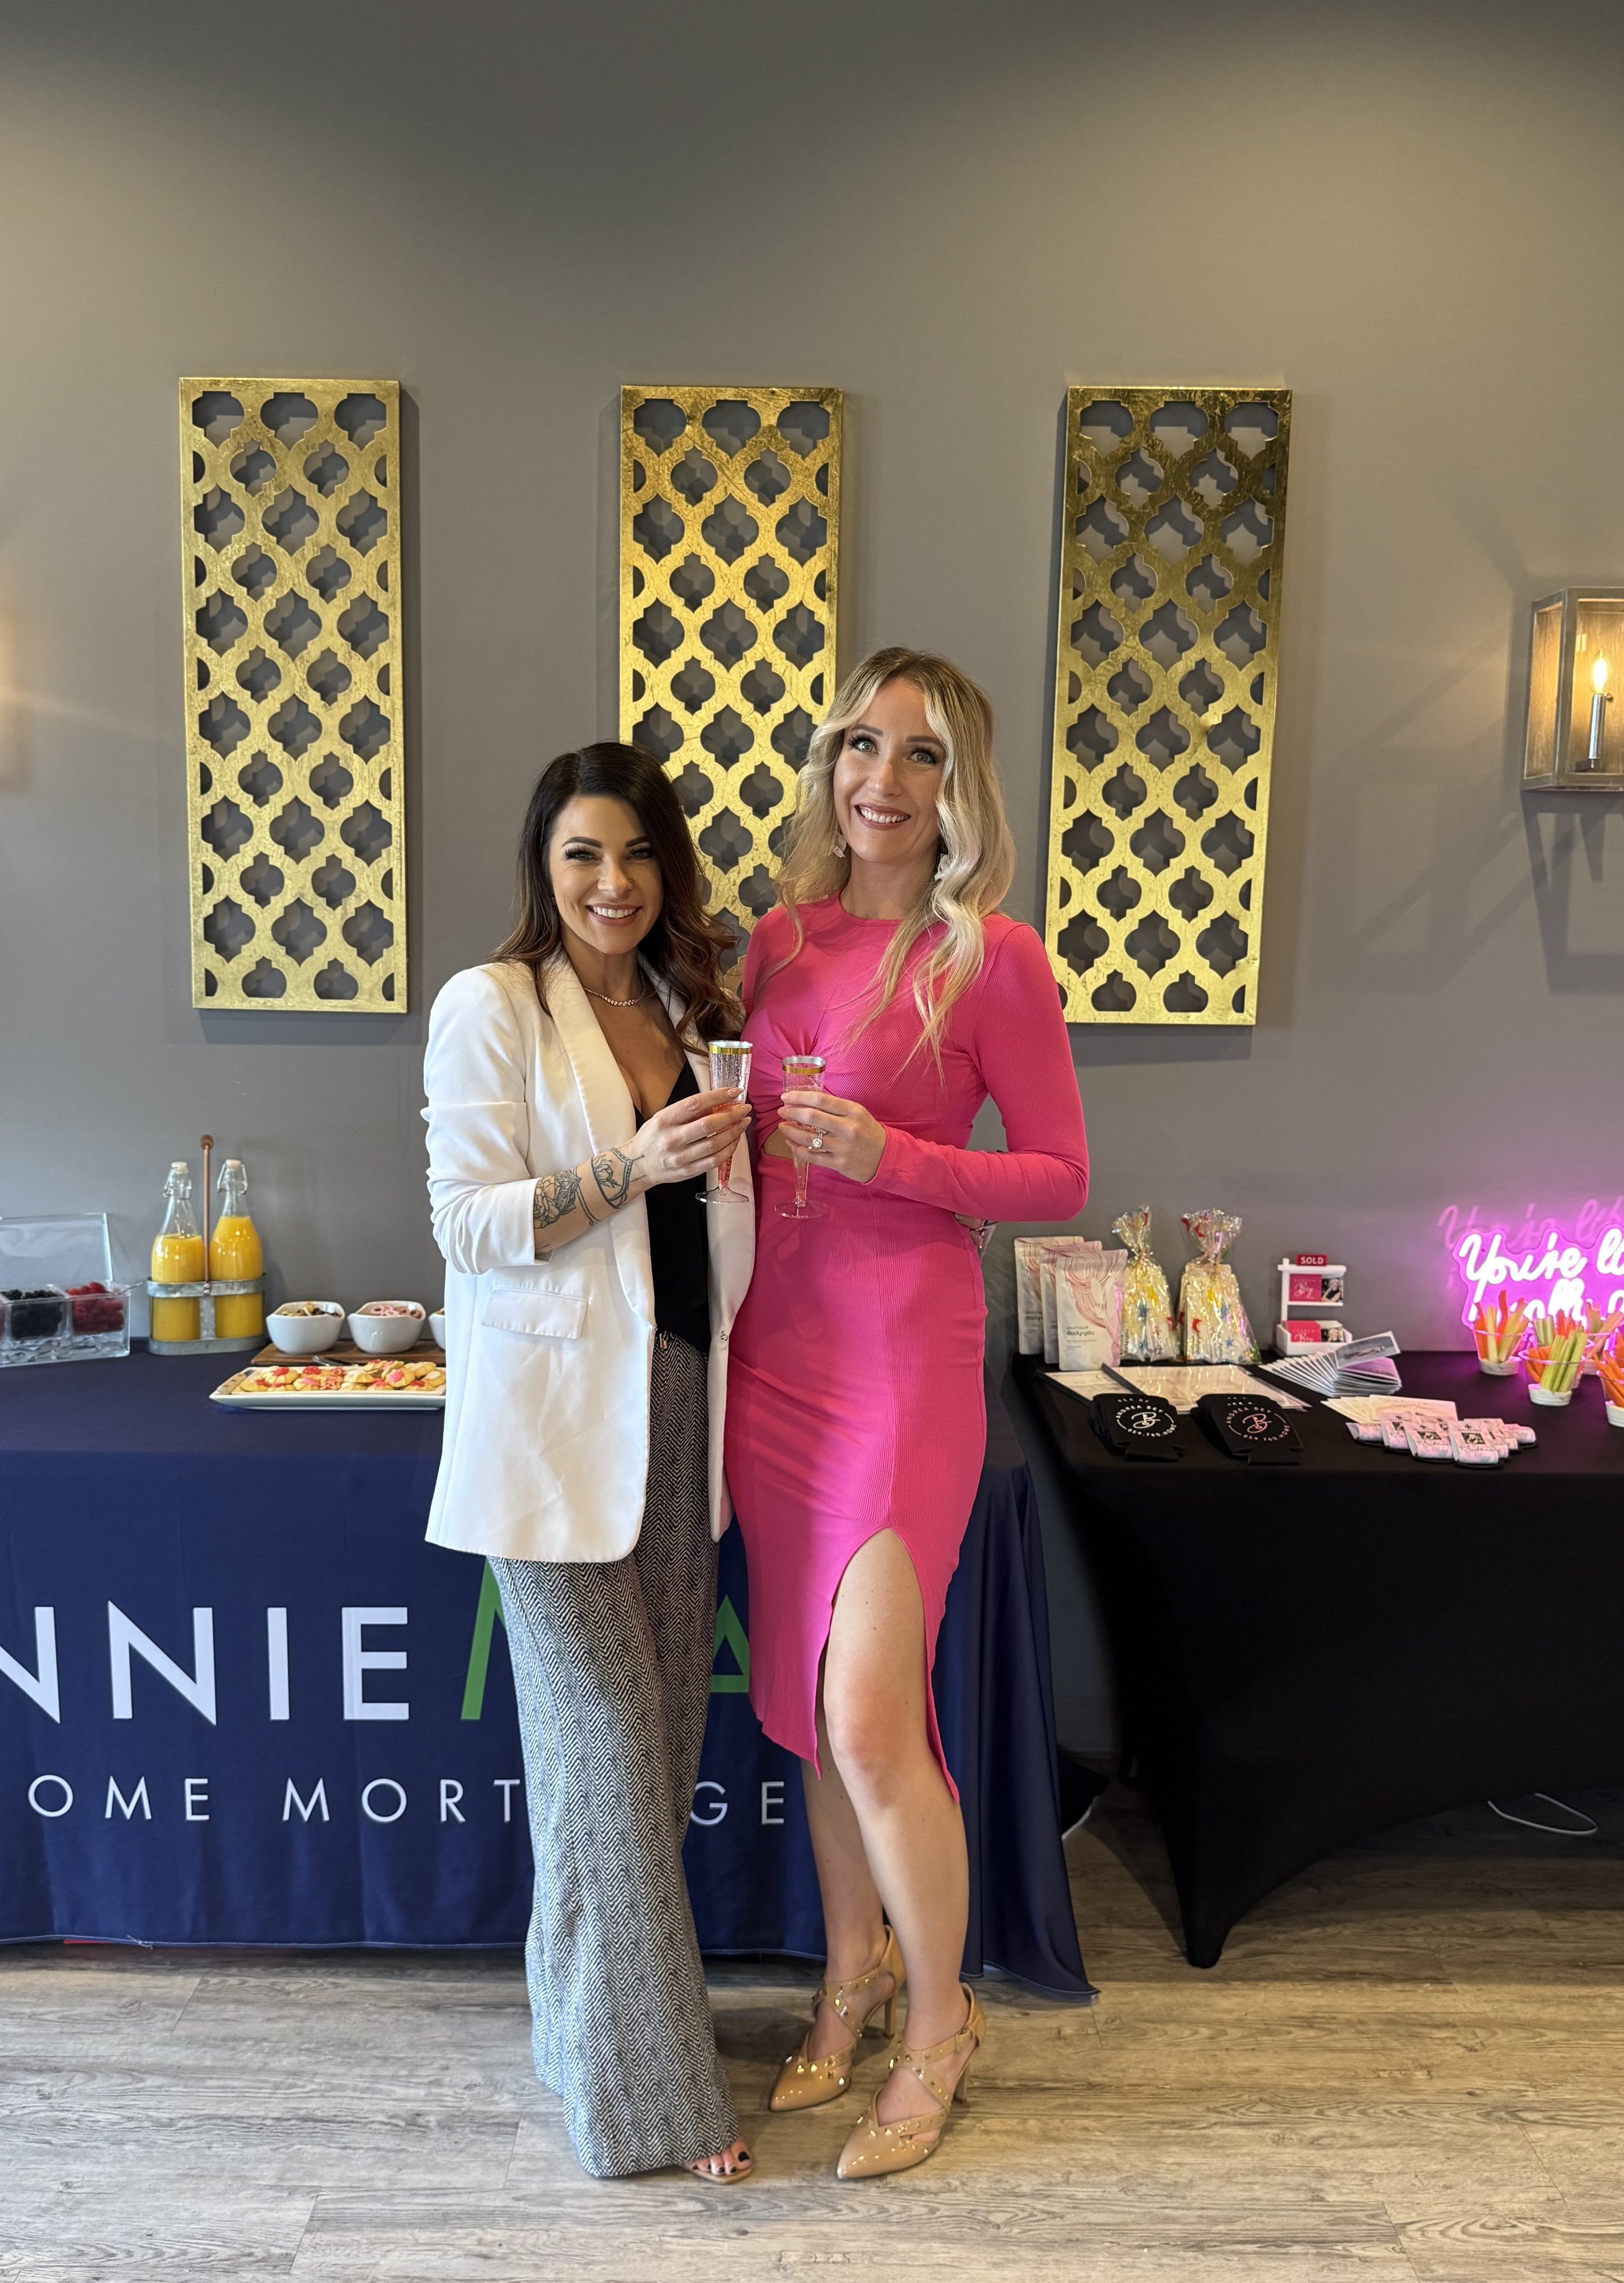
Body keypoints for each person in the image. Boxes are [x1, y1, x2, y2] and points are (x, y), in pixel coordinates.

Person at [725, 647, 1089, 2180]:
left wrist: (893, 1154)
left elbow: (1060, 1174)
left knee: (873, 1710)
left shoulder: (990, 956)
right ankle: (848, 1970)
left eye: (919, 754)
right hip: (772, 1356)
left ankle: (939, 2018)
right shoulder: (772, 942)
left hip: (899, 1353)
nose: (879, 777)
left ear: (960, 789)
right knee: (814, 1706)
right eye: (858, 745)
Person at [422, 743, 756, 2184]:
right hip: (548, 1435)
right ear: (541, 866)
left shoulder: (692, 1006)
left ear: (666, 867)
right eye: (579, 855)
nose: (610, 883)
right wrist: (632, 1164)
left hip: (682, 1407)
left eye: (634, 855)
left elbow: (713, 1230)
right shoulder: (490, 1004)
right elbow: (463, 1220)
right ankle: (658, 2109)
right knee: (614, 1755)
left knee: (637, 1763)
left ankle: (578, 2033)